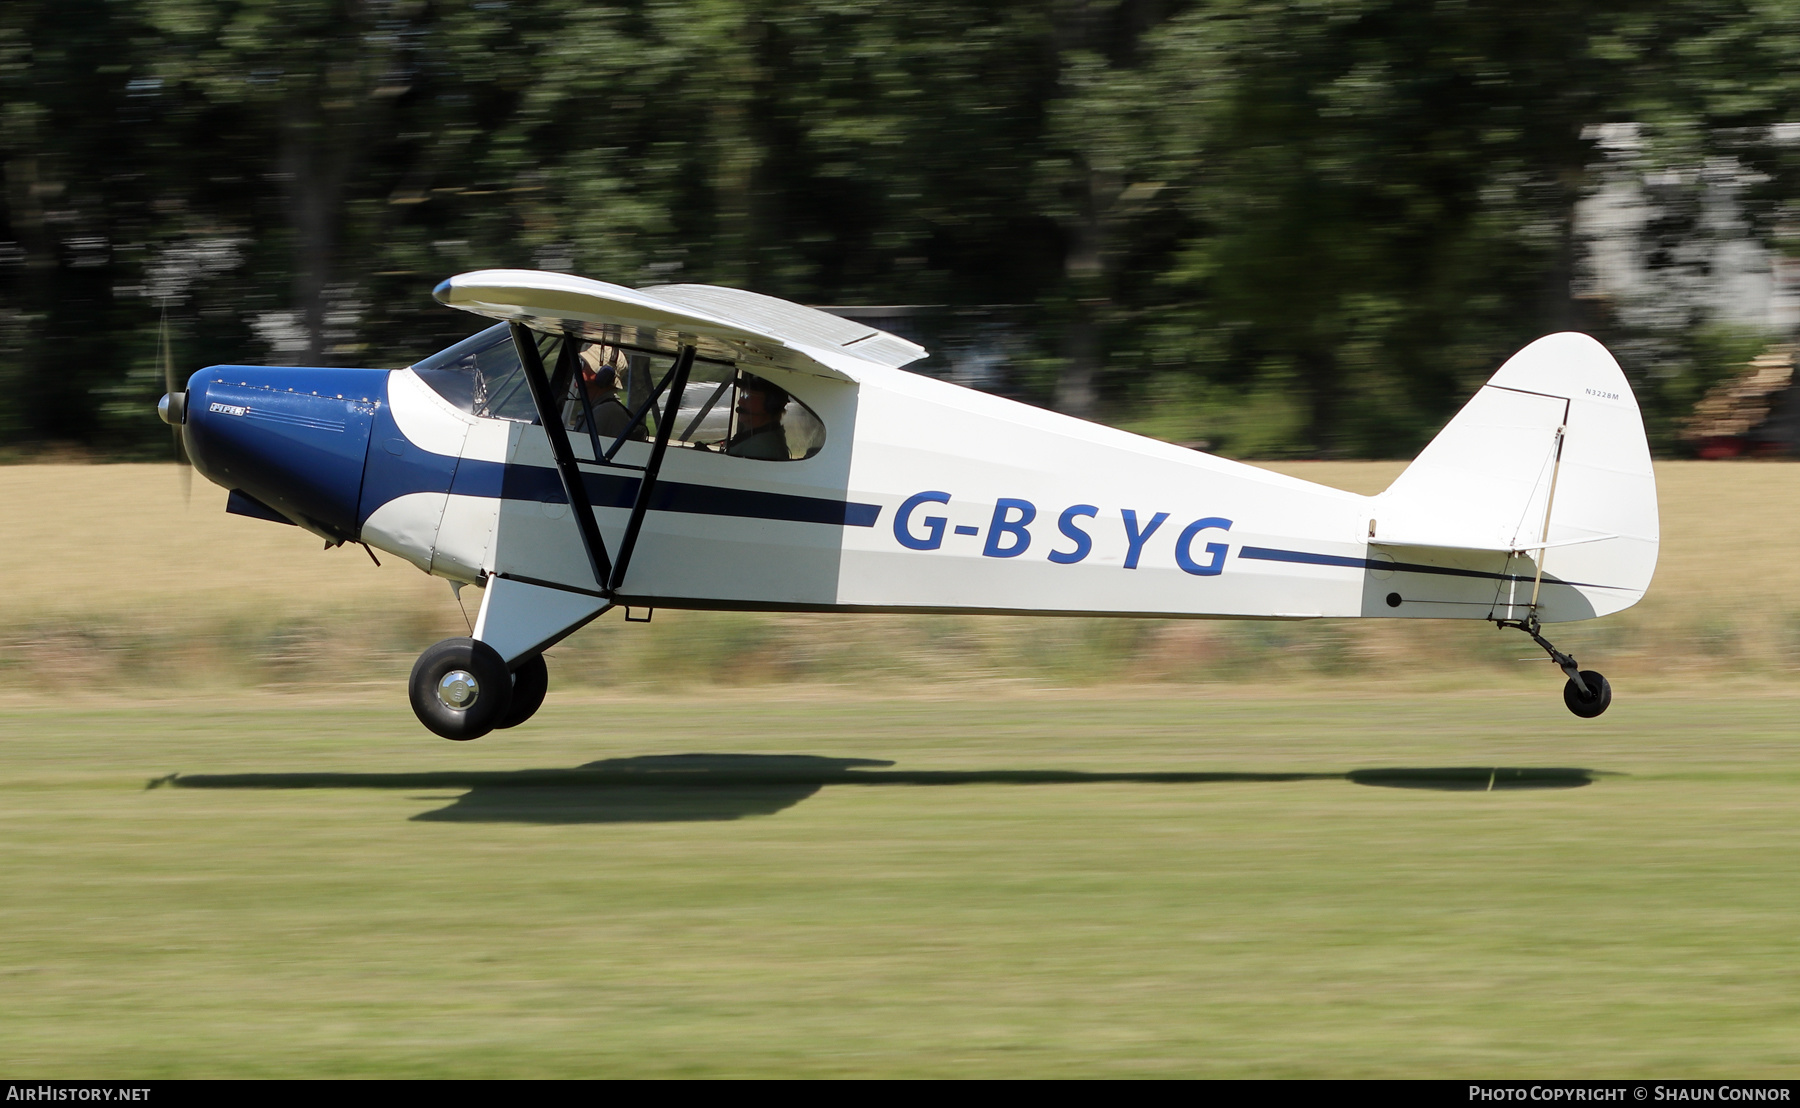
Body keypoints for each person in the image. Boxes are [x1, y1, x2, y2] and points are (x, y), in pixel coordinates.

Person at [567, 345, 637, 441]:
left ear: (604, 375)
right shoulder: (597, 408)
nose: (579, 369)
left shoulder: (607, 412)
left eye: (584, 364)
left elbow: (582, 449)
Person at [725, 375, 792, 460]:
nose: (740, 401)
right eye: (743, 395)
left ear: (770, 405)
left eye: (748, 396)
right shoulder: (755, 436)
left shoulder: (760, 447)